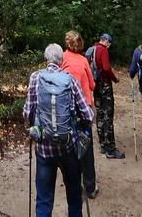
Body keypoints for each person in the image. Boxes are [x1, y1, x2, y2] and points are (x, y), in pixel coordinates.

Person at [24, 43, 93, 217]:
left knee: (44, 199)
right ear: (61, 61)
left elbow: (27, 112)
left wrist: (35, 126)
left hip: (44, 149)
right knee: (74, 196)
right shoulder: (70, 79)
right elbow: (88, 115)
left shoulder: (35, 78)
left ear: (45, 59)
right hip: (68, 147)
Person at [62, 30, 98, 200]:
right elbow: (92, 84)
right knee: (86, 147)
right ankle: (90, 186)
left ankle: (73, 185)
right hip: (84, 108)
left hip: (68, 109)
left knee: (69, 147)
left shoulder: (62, 58)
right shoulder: (83, 61)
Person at [93, 33, 125, 159]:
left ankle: (102, 145)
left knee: (100, 114)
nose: (109, 45)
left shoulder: (93, 49)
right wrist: (114, 78)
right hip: (105, 85)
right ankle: (110, 149)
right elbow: (106, 67)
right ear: (106, 41)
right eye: (109, 43)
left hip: (95, 85)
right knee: (108, 115)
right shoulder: (103, 50)